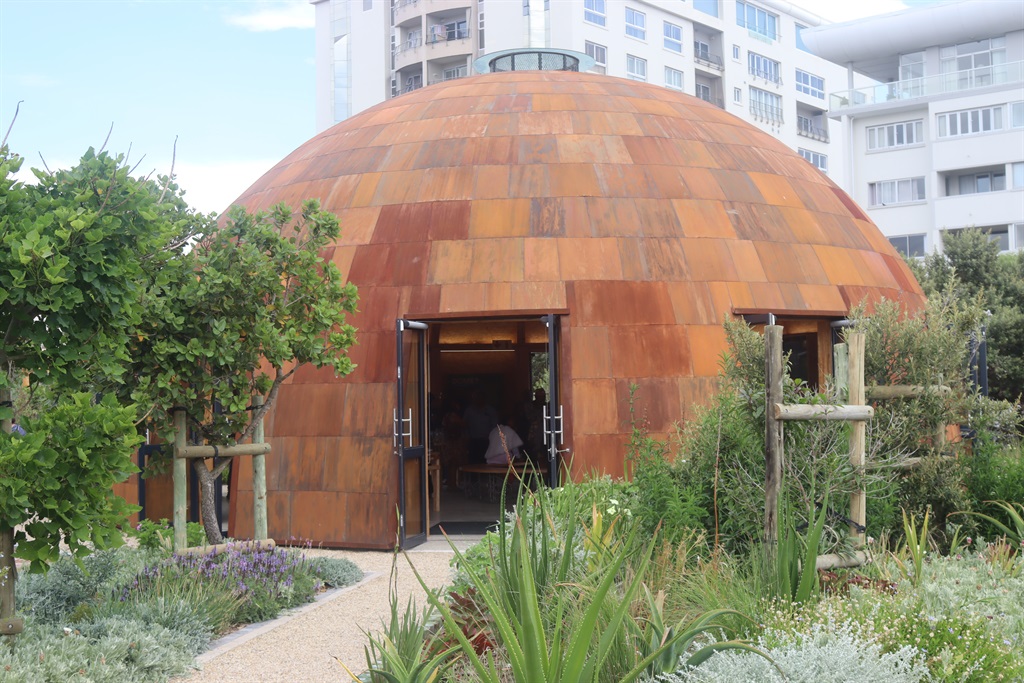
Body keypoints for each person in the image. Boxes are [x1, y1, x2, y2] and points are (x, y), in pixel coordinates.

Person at [462, 390, 498, 463]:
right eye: (476, 398)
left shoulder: (490, 410)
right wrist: (467, 437)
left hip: (486, 441)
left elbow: (495, 425)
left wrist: (492, 439)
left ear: (483, 398)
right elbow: (464, 424)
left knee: (486, 462)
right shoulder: (469, 411)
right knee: (473, 462)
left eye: (479, 397)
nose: (477, 399)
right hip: (473, 441)